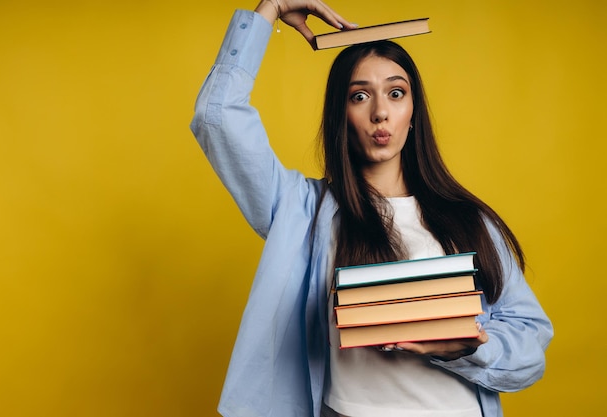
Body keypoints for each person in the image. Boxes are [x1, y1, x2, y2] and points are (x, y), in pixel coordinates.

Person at [190, 1, 554, 416]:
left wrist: (467, 348)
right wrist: (269, 9)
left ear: (413, 112)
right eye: (360, 96)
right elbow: (215, 119)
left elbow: (530, 344)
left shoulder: (468, 220)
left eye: (396, 93)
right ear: (340, 115)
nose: (380, 112)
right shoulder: (302, 211)